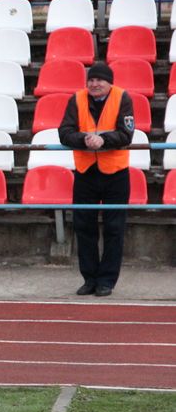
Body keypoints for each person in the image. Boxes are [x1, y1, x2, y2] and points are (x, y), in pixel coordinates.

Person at [58, 62, 135, 298]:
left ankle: (107, 281)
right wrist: (84, 140)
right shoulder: (76, 99)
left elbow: (127, 133)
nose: (94, 84)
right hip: (85, 172)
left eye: (100, 80)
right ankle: (89, 279)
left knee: (114, 228)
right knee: (84, 227)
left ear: (109, 82)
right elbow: (64, 132)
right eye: (91, 80)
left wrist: (104, 140)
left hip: (116, 173)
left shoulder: (123, 98)